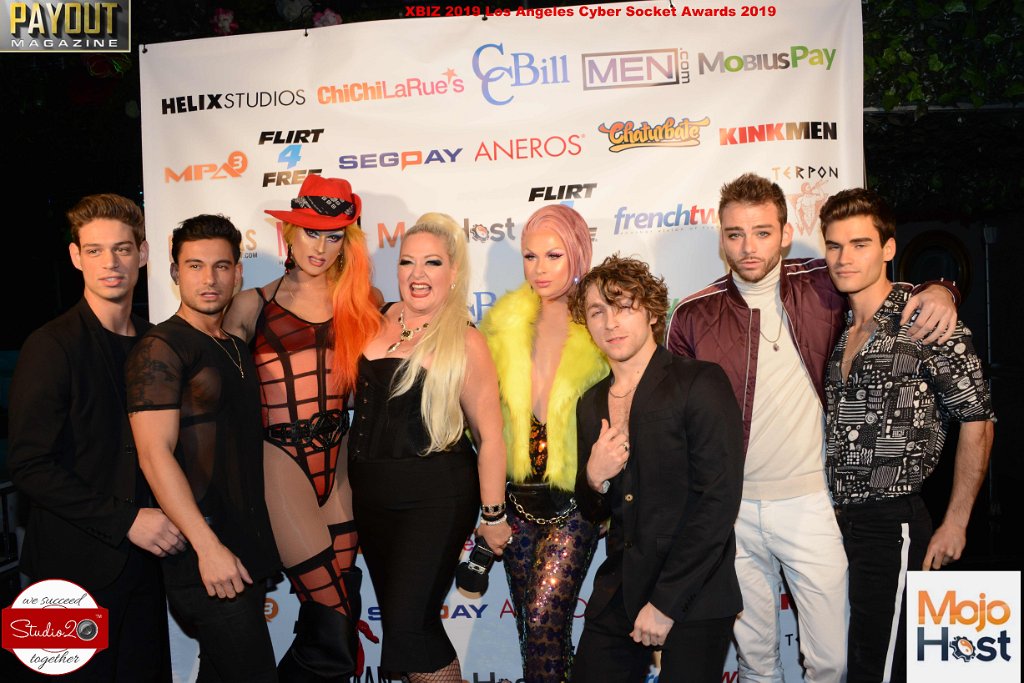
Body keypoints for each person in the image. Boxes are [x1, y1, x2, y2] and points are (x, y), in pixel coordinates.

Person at [666, 173, 960, 683]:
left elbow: (887, 288)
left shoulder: (823, 282)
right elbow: (675, 421)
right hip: (731, 512)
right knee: (756, 662)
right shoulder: (693, 315)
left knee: (833, 661)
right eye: (735, 233)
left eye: (762, 232)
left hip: (812, 504)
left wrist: (942, 289)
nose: (748, 247)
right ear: (721, 239)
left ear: (785, 234)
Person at [820, 188, 995, 683]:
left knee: (879, 666)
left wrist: (957, 521)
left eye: (860, 244)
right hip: (835, 525)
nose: (844, 258)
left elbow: (978, 419)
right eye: (834, 245)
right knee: (852, 661)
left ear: (888, 248)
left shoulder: (926, 319)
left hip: (891, 522)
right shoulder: (840, 329)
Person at [8, 194, 182, 682]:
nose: (111, 263)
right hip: (66, 567)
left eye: (122, 249)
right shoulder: (50, 345)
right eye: (95, 250)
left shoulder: (156, 342)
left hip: (147, 567)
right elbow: (28, 466)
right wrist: (127, 520)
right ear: (75, 257)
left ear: (142, 254)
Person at [223, 175, 381, 680]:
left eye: (334, 236)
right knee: (332, 614)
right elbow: (217, 395)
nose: (321, 247)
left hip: (341, 462)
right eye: (311, 232)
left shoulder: (364, 300)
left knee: (339, 605)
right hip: (280, 461)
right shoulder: (251, 305)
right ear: (289, 233)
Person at [349, 213, 511, 683]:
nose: (417, 274)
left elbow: (490, 435)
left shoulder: (465, 340)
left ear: (454, 272)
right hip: (372, 501)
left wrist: (493, 516)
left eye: (432, 263)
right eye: (407, 262)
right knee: (406, 631)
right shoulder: (374, 320)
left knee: (411, 628)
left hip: (435, 500)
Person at [570, 255, 744, 683]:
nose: (611, 322)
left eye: (624, 306)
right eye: (597, 311)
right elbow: (593, 510)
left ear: (651, 312)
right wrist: (593, 477)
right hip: (621, 588)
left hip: (694, 588)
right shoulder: (590, 403)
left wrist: (666, 603)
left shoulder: (699, 381)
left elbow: (718, 501)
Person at [126, 215, 280, 683]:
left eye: (221, 266)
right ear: (175, 272)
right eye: (194, 265)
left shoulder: (233, 344)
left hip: (244, 545)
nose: (208, 278)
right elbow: (154, 454)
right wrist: (207, 546)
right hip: (204, 551)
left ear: (238, 273)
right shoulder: (161, 346)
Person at [479, 204, 607, 682]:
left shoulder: (603, 320)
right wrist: (491, 505)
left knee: (544, 616)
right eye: (530, 256)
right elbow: (482, 421)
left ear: (577, 253)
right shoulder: (503, 323)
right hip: (515, 500)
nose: (540, 268)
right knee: (534, 631)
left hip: (577, 500)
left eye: (554, 255)